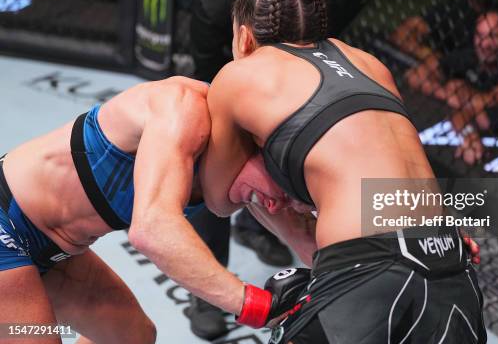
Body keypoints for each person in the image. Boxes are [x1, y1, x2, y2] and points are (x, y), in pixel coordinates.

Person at [187, 0, 498, 331]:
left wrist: (236, 136)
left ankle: (220, 283)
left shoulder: (244, 72)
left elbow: (216, 199)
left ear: (245, 38)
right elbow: (205, 20)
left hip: (365, 275)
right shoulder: (369, 63)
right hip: (451, 263)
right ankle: (212, 292)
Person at [0, 76, 316, 343]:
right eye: (281, 193)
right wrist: (259, 306)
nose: (276, 204)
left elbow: (313, 244)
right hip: (6, 226)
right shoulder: (182, 109)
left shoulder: (256, 171)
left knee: (132, 335)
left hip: (54, 251)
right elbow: (151, 229)